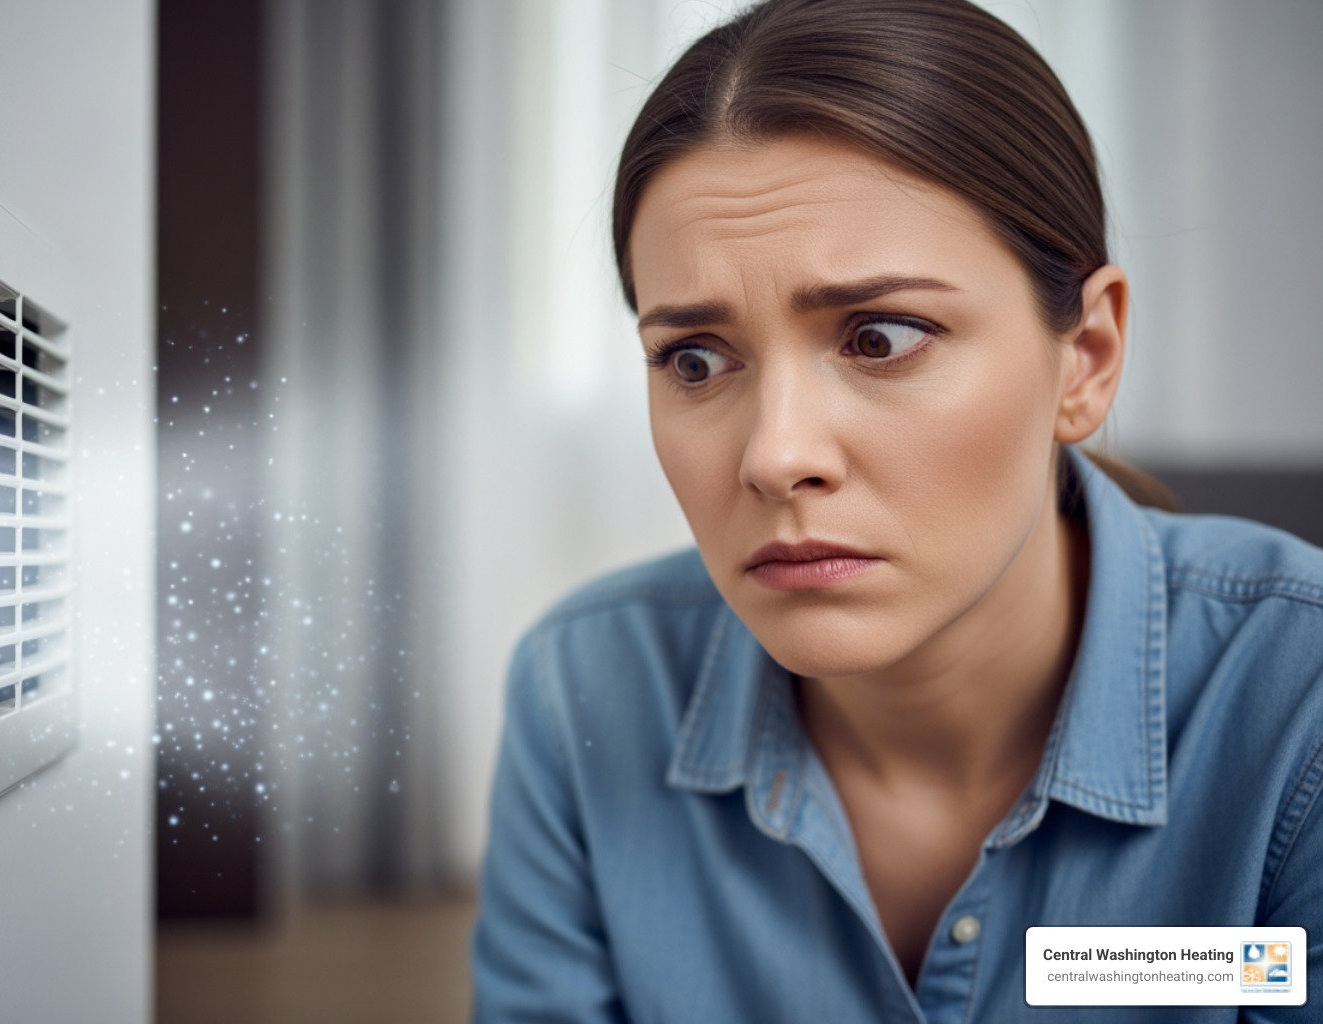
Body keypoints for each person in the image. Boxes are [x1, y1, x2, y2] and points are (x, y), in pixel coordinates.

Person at [471, 0, 1323, 1020]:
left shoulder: (1297, 707)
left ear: (1084, 360)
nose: (777, 455)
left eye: (881, 338)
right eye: (694, 360)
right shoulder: (583, 693)